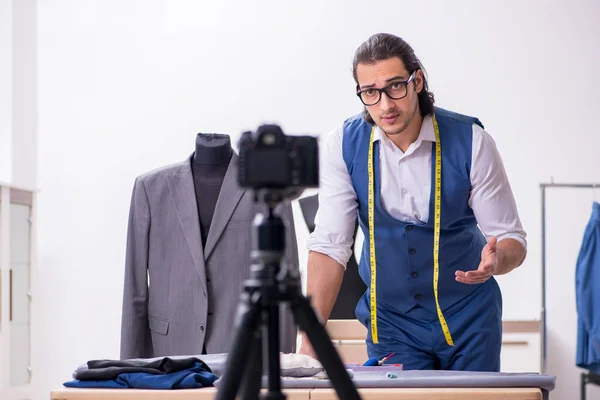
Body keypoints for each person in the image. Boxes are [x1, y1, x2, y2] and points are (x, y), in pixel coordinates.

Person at [299, 33, 527, 372]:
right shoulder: (344, 145)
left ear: (417, 81)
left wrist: (498, 261)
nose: (385, 105)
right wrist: (309, 343)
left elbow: (512, 240)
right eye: (370, 93)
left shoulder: (472, 141)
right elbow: (330, 247)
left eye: (395, 87)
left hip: (470, 320)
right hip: (393, 326)